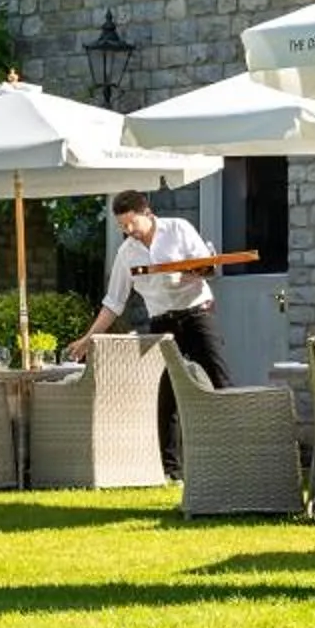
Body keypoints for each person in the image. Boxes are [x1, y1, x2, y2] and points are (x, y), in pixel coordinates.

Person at [65, 190, 233, 468]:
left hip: (197, 313)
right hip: (163, 323)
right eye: (122, 225)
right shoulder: (126, 253)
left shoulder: (178, 228)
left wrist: (192, 272)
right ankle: (169, 469)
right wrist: (88, 338)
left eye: (132, 223)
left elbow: (209, 269)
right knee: (166, 392)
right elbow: (113, 302)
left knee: (220, 380)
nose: (128, 230)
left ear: (147, 213)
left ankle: (236, 452)